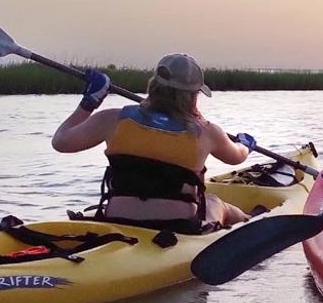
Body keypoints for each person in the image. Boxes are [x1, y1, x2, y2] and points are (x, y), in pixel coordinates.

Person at [51, 53, 258, 233]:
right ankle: (253, 222)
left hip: (118, 219)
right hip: (180, 226)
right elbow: (236, 157)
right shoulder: (207, 132)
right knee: (215, 203)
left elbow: (61, 142)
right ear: (193, 95)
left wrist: (89, 102)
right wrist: (245, 144)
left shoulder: (113, 119)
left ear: (154, 85)